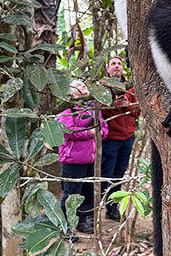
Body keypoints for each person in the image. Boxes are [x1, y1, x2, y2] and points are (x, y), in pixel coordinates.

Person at [58, 80, 108, 234]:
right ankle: (66, 226)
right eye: (78, 86)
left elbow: (104, 128)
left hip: (90, 159)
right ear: (71, 93)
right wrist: (89, 133)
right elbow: (67, 130)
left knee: (88, 194)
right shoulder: (67, 108)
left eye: (84, 85)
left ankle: (84, 222)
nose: (83, 86)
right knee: (71, 195)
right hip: (73, 160)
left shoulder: (94, 107)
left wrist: (99, 133)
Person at [100, 56, 140, 221]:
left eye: (119, 64)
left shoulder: (129, 87)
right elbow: (97, 109)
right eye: (113, 64)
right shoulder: (103, 86)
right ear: (108, 69)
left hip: (128, 137)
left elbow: (138, 111)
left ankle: (112, 208)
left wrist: (128, 106)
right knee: (106, 173)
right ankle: (98, 205)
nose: (116, 66)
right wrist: (112, 105)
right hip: (110, 138)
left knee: (119, 174)